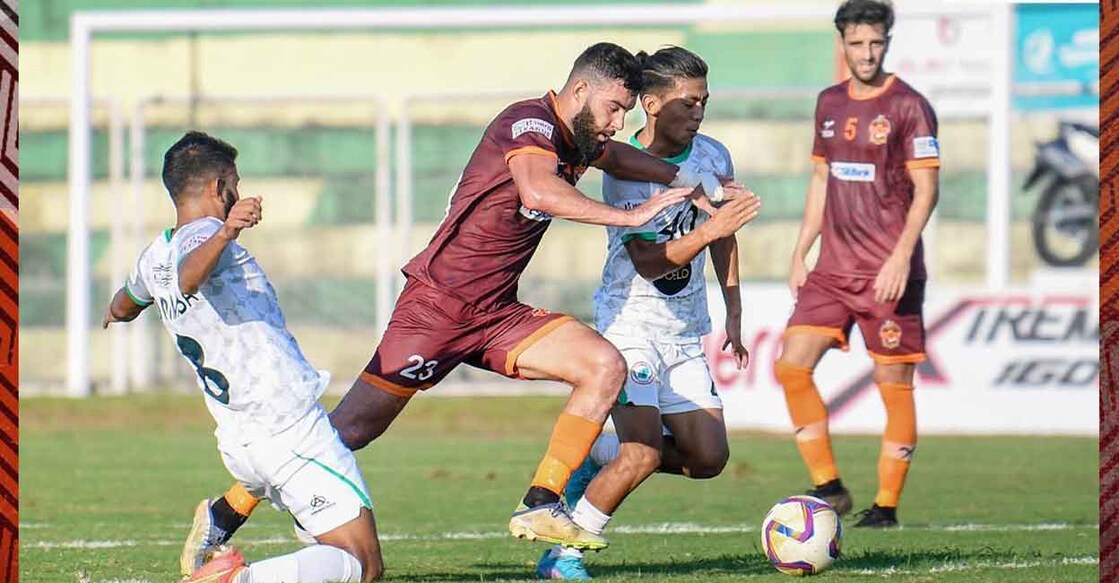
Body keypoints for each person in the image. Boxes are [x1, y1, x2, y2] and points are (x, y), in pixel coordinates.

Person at [180, 41, 749, 568]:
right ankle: (225, 512)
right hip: (437, 309)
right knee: (348, 430)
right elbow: (537, 190)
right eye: (612, 109)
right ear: (580, 93)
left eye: (625, 111)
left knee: (603, 366)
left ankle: (541, 501)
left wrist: (691, 181)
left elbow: (623, 161)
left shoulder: (583, 137)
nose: (617, 124)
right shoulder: (527, 123)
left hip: (496, 312)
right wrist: (630, 216)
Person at [104, 131, 384, 582]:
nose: (238, 190)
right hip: (287, 427)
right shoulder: (209, 234)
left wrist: (116, 311)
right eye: (234, 182)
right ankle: (235, 580)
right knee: (361, 564)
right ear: (220, 188)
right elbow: (189, 275)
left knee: (320, 548)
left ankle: (217, 524)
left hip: (240, 440)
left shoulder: (151, 257)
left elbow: (124, 302)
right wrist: (229, 229)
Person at [535, 46, 761, 580]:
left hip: (684, 331)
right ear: (652, 104)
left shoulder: (714, 156)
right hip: (630, 325)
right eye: (688, 102)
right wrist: (709, 229)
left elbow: (723, 241)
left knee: (707, 459)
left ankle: (597, 456)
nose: (699, 112)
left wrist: (733, 307)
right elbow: (650, 263)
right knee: (642, 454)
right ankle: (563, 553)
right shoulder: (627, 170)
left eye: (705, 101)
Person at [775, 0, 940, 528]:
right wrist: (802, 249)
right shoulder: (828, 102)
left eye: (876, 43)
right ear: (841, 44)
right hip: (833, 270)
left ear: (886, 42)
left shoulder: (910, 105)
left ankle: (887, 506)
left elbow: (927, 191)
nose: (867, 53)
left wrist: (899, 258)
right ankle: (830, 486)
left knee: (894, 383)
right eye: (857, 44)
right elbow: (822, 181)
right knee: (790, 365)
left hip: (888, 274)